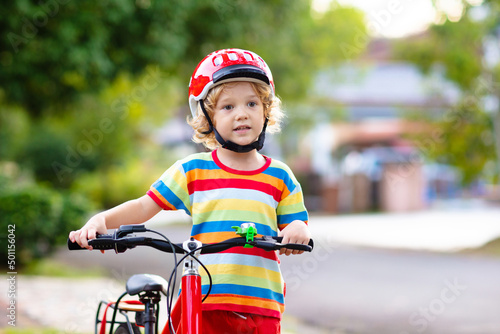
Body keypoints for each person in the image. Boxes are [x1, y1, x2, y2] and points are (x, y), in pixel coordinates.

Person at [69, 48, 310, 334]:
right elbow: (145, 206)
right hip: (203, 299)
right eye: (228, 107)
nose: (242, 114)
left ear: (266, 111)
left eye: (252, 103)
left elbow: (297, 223)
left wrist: (298, 230)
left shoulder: (280, 176)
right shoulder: (192, 170)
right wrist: (101, 221)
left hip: (260, 305)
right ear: (208, 119)